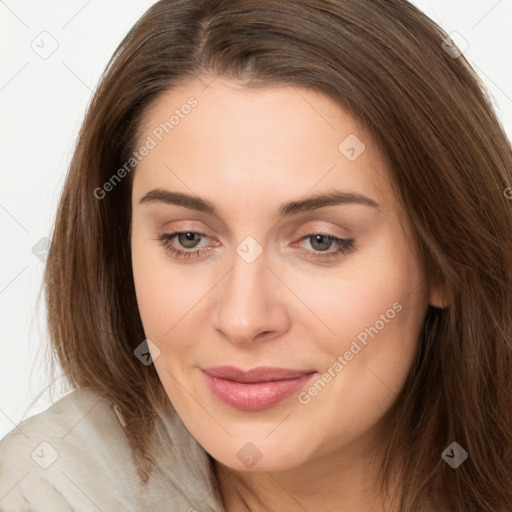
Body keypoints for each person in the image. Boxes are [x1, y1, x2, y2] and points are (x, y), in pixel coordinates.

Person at [2, 0, 512, 510]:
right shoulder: (41, 491)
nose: (243, 319)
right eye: (188, 238)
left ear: (446, 260)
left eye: (321, 241)